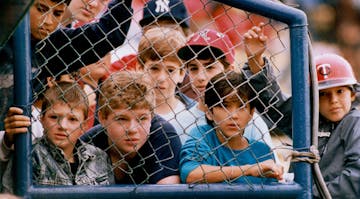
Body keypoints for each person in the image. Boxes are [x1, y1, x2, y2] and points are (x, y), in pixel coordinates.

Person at [243, 25, 360, 198]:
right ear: (312, 99)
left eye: (340, 91)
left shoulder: (355, 122)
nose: (333, 100)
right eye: (323, 94)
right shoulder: (311, 119)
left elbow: (355, 179)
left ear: (352, 94)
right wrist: (255, 60)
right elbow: (275, 106)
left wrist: (307, 194)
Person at [2, 82, 114, 193]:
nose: (62, 126)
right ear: (42, 119)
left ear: (83, 125)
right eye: (54, 117)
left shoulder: (98, 157)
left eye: (72, 119)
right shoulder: (29, 156)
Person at [176, 28, 275, 149]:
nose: (200, 77)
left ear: (229, 71)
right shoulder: (179, 122)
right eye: (193, 68)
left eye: (210, 67)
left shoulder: (249, 121)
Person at [179, 71, 284, 184]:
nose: (233, 115)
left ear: (251, 113)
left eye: (241, 106)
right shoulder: (202, 136)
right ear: (209, 112)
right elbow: (190, 173)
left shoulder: (262, 151)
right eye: (224, 105)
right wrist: (248, 170)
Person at [80, 71, 182, 184]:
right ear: (103, 118)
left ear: (151, 117)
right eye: (122, 119)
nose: (132, 129)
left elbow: (167, 193)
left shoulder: (163, 136)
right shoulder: (88, 142)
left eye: (142, 119)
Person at [137, 27, 196, 143]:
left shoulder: (193, 115)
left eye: (170, 70)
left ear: (182, 74)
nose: (161, 78)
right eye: (154, 68)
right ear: (140, 69)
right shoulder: (127, 112)